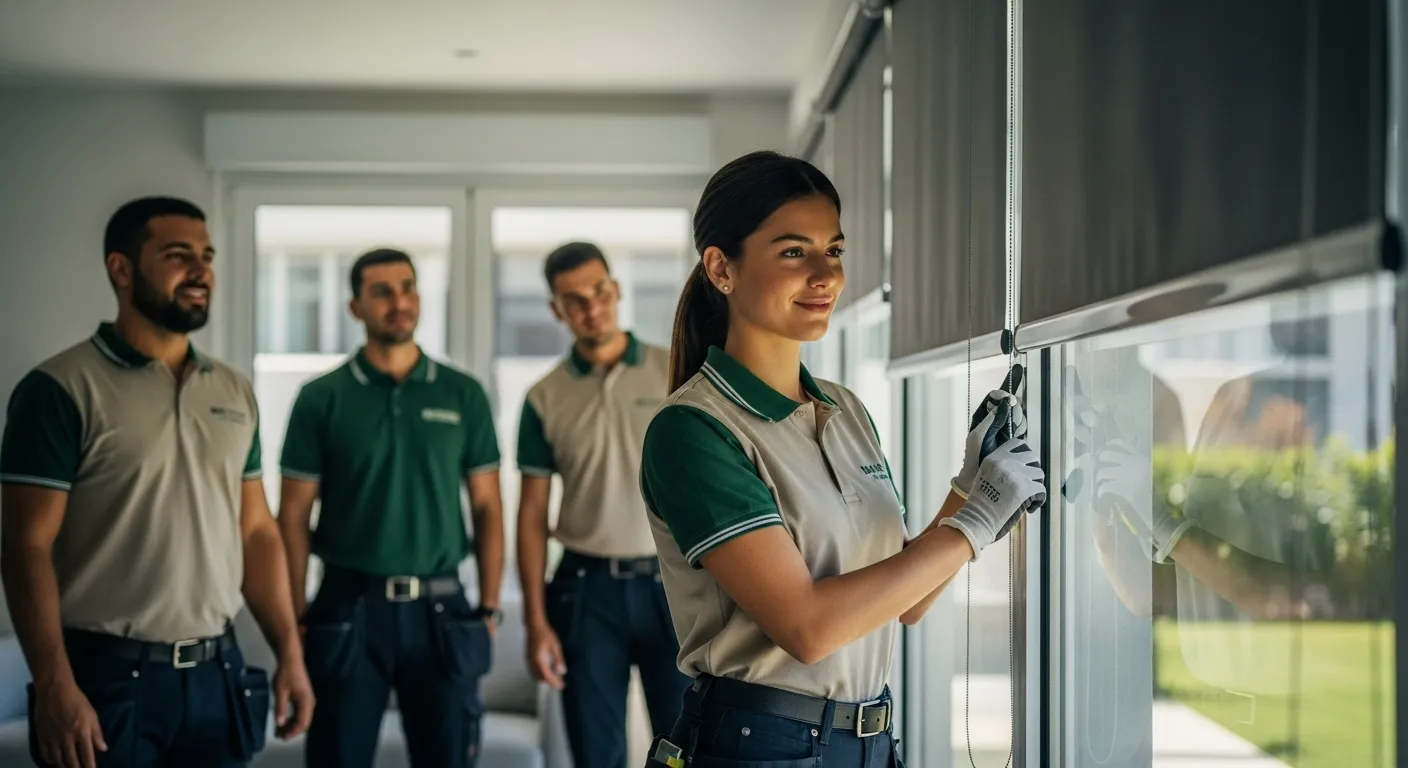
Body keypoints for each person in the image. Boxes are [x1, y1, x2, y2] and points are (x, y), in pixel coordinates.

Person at [637, 151, 1046, 766]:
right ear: (722, 268)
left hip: (869, 741)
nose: (826, 274)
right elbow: (808, 628)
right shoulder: (694, 432)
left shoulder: (845, 409)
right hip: (762, 748)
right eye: (794, 252)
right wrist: (976, 523)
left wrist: (967, 486)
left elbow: (906, 600)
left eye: (835, 250)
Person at [0, 196, 315, 768]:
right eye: (178, 255)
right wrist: (53, 684)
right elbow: (25, 545)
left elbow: (257, 534)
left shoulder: (235, 391)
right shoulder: (59, 389)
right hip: (105, 680)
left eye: (207, 256)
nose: (201, 271)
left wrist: (289, 654)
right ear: (121, 269)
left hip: (218, 675)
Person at [276, 248, 504, 768]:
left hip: (443, 610)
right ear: (355, 307)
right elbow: (291, 518)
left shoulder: (462, 393)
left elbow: (488, 507)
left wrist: (489, 606)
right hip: (346, 607)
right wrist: (294, 615)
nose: (398, 302)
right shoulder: (321, 398)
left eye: (407, 287)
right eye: (382, 291)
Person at [515, 242, 689, 767]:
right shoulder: (543, 397)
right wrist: (536, 621)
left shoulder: (677, 371)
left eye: (599, 292)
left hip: (676, 585)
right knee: (596, 753)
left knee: (684, 748)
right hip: (585, 593)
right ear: (557, 311)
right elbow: (530, 516)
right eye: (575, 300)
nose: (592, 308)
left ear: (616, 290)